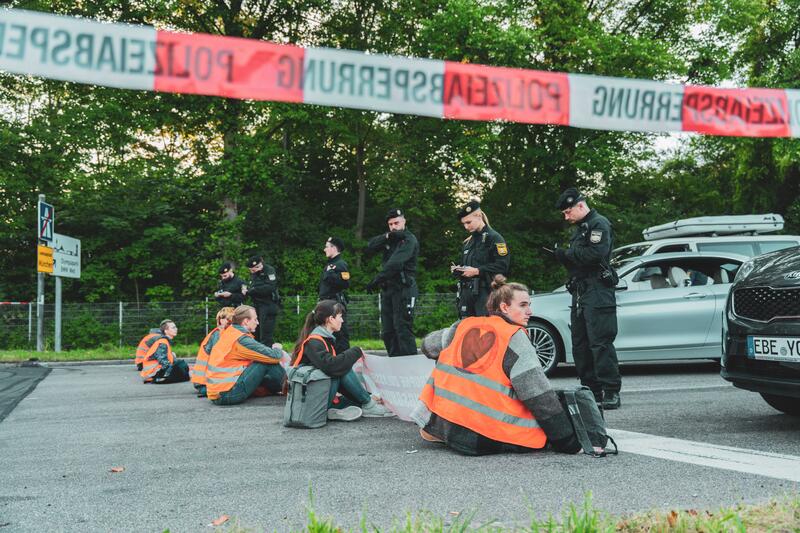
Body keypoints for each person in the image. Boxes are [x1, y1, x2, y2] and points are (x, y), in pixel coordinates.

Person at [415, 275, 581, 455]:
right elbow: (538, 395)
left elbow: (427, 346)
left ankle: (437, 427)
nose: (530, 311)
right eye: (523, 305)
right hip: (480, 436)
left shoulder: (464, 325)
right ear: (504, 307)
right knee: (541, 427)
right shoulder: (514, 337)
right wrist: (567, 441)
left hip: (444, 425)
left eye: (529, 305)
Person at [553, 187, 621, 410]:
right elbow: (579, 260)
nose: (566, 217)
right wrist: (563, 258)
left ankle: (610, 391)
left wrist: (568, 254)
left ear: (580, 206)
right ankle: (590, 389)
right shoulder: (581, 228)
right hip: (581, 290)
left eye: (568, 212)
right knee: (580, 343)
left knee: (600, 342)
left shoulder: (598, 224)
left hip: (598, 290)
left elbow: (595, 255)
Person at [292, 300, 394, 421]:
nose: (342, 320)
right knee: (341, 368)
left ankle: (357, 405)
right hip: (309, 403)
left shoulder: (321, 339)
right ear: (330, 319)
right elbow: (332, 367)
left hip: (315, 396)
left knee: (346, 381)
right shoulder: (314, 342)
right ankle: (366, 405)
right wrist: (356, 351)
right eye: (340, 317)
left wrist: (368, 396)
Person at [205, 305, 286, 405]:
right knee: (266, 361)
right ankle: (291, 388)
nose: (258, 322)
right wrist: (277, 348)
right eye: (255, 319)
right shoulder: (241, 339)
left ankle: (284, 386)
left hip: (218, 392)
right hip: (227, 393)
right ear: (246, 321)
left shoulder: (230, 332)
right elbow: (274, 356)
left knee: (264, 370)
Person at [365, 208, 419, 356]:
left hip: (404, 288)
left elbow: (394, 264)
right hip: (388, 289)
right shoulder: (391, 238)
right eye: (390, 224)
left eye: (396, 223)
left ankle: (410, 367)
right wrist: (387, 236)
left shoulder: (409, 240)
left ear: (404, 221)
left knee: (402, 329)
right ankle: (395, 364)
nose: (394, 226)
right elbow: (370, 246)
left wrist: (376, 280)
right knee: (388, 331)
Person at [452, 200, 510, 318]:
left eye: (468, 222)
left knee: (484, 331)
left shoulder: (494, 238)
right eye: (463, 223)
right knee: (466, 331)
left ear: (479, 216)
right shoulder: (468, 242)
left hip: (485, 294)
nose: (466, 226)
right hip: (466, 294)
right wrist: (459, 269)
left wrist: (477, 271)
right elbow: (467, 265)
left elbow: (503, 265)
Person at [191, 306, 234, 397]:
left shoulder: (219, 333)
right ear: (222, 320)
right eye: (231, 320)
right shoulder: (218, 335)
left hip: (205, 381)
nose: (233, 323)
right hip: (205, 383)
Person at [318, 236, 351, 353]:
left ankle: (344, 361)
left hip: (335, 304)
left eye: (327, 247)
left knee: (340, 334)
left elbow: (345, 283)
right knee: (329, 334)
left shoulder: (341, 264)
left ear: (334, 248)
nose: (324, 249)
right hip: (327, 304)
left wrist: (331, 274)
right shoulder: (329, 265)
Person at [139, 319, 190, 384]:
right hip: (153, 373)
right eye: (173, 327)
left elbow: (169, 359)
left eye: (176, 327)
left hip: (154, 371)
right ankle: (162, 378)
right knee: (182, 365)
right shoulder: (162, 342)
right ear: (166, 331)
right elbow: (163, 361)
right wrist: (172, 370)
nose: (176, 329)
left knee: (179, 363)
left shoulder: (164, 341)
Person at [245, 255, 280, 346]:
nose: (253, 272)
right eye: (252, 270)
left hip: (268, 305)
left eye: (255, 269)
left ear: (260, 264)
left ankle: (266, 357)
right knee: (255, 331)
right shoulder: (254, 275)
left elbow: (270, 287)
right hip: (257, 305)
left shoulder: (269, 270)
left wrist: (252, 291)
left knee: (266, 334)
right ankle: (257, 355)